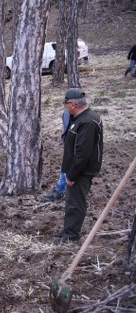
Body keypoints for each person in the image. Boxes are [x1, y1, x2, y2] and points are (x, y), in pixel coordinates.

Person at [53, 88, 103, 245]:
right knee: (71, 200)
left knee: (76, 202)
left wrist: (72, 175)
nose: (64, 106)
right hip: (74, 170)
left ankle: (72, 234)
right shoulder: (79, 118)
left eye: (65, 103)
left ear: (73, 104)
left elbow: (82, 153)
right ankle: (68, 229)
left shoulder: (88, 121)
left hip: (81, 171)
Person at [42, 109, 70, 201]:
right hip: (70, 143)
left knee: (68, 167)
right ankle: (61, 190)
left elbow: (68, 129)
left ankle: (62, 190)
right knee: (66, 166)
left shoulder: (70, 112)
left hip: (73, 144)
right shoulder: (68, 111)